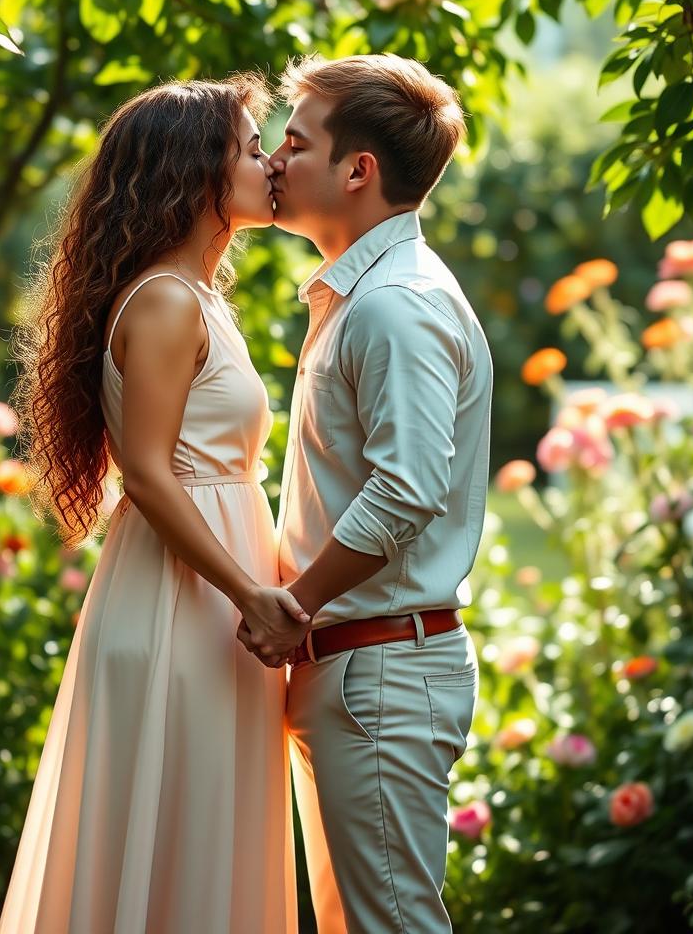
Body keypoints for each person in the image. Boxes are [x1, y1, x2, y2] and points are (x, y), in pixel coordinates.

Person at [1, 75, 303, 934]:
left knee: (200, 843)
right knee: (177, 839)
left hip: (206, 599)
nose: (271, 164)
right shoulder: (168, 301)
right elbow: (148, 474)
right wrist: (250, 595)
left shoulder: (199, 298)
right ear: (194, 169)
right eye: (251, 148)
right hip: (185, 607)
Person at [241, 53, 494, 934]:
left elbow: (408, 489)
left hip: (380, 668)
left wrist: (292, 606)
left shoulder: (395, 304)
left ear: (359, 170)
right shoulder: (364, 297)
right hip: (358, 668)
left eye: (295, 142)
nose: (273, 158)